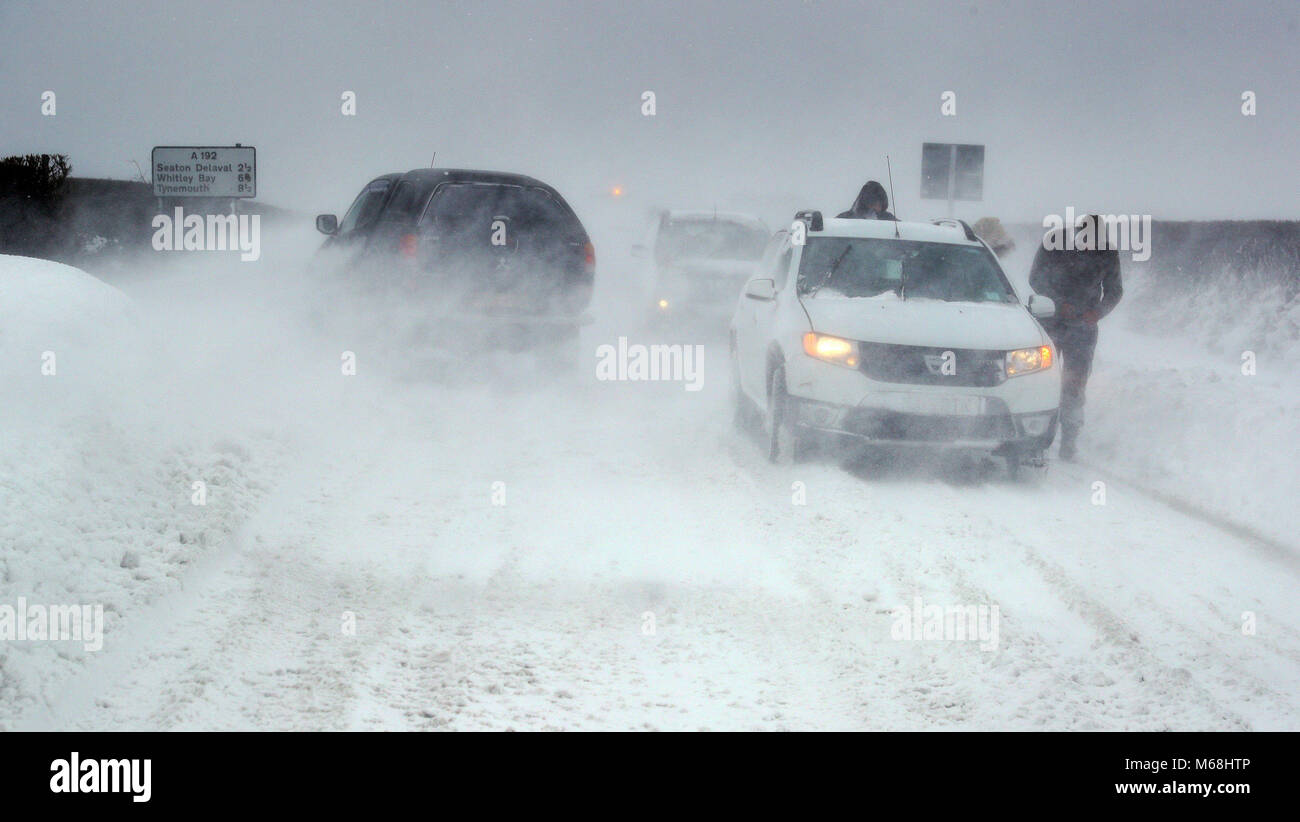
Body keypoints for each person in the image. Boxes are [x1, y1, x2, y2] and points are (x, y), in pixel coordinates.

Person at [1028, 214, 1123, 461]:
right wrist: (1059, 304)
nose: (1090, 246)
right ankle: (1035, 436)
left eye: (1095, 242)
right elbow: (1035, 278)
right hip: (1050, 321)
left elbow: (1115, 290)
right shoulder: (1054, 242)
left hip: (1084, 328)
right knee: (1042, 378)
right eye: (1087, 241)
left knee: (1076, 383)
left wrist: (1098, 312)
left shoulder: (1107, 252)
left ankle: (1069, 440)